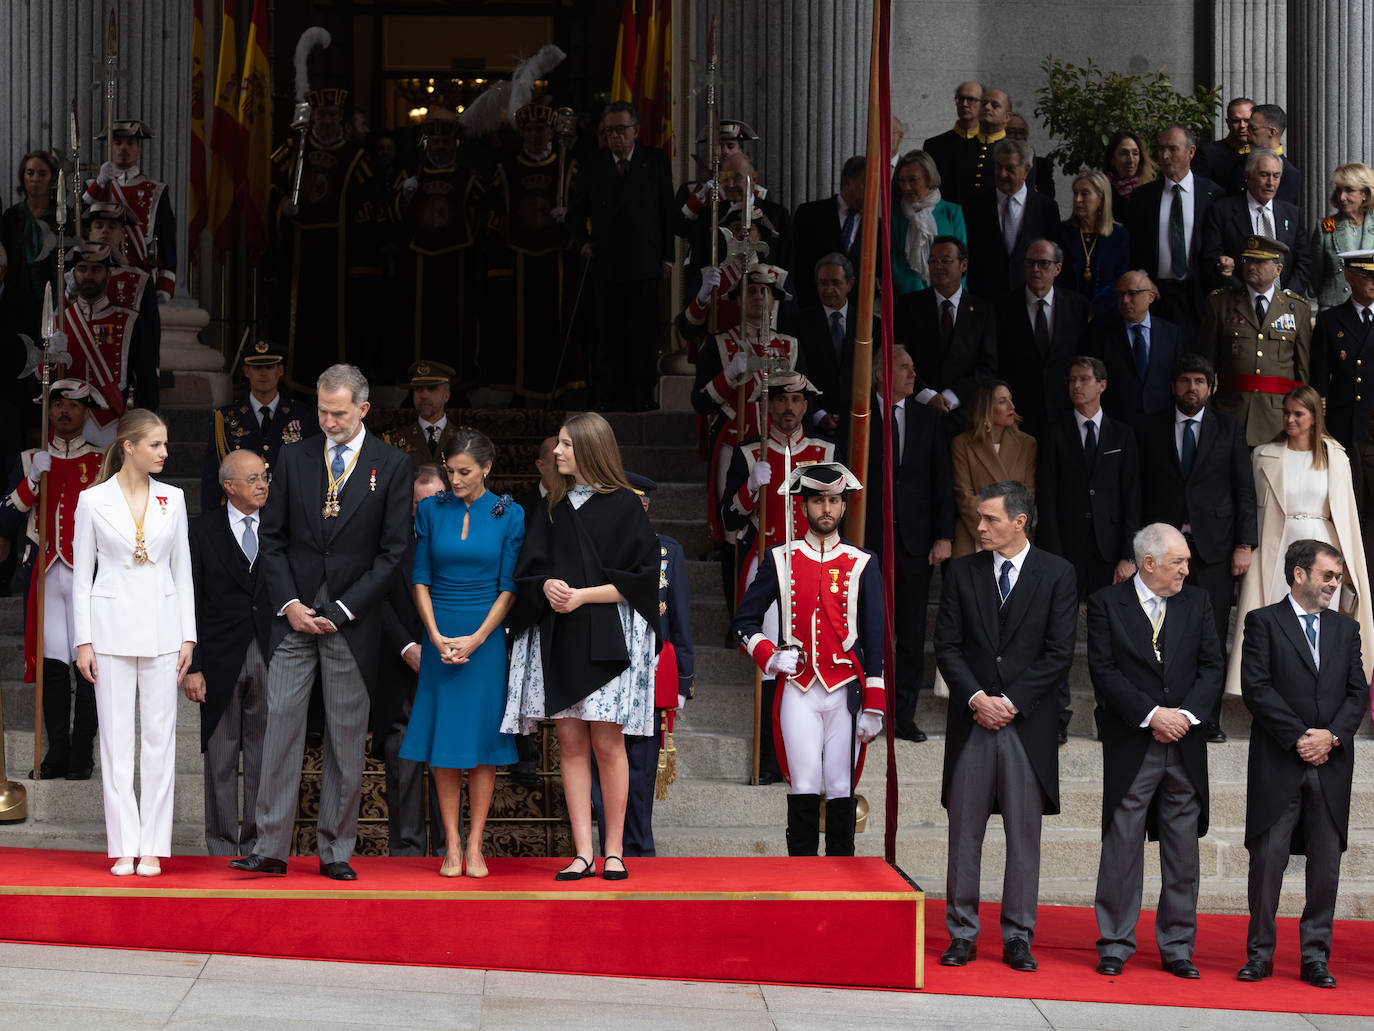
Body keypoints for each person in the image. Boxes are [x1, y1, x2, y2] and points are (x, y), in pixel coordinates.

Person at [231, 364, 412, 881]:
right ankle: (269, 847)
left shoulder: (392, 464)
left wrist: (345, 608)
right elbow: (273, 539)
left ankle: (335, 850)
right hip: (294, 618)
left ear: (363, 408)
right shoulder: (293, 456)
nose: (328, 421)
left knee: (345, 738)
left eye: (337, 412)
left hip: (350, 623)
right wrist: (287, 603)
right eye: (321, 410)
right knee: (279, 729)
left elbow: (394, 551)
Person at [503, 411, 659, 881]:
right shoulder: (550, 506)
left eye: (567, 445)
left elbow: (643, 581)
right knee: (569, 741)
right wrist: (547, 585)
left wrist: (581, 595)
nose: (557, 452)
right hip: (560, 635)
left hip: (607, 633)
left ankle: (614, 850)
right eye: (558, 445)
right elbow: (527, 572)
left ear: (590, 448)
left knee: (607, 742)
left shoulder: (625, 507)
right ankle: (582, 852)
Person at [934, 479, 1078, 972]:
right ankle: (962, 933)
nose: (979, 527)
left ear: (1020, 522)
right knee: (964, 835)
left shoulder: (1058, 574)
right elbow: (947, 646)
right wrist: (977, 697)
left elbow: (1059, 653)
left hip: (1025, 725)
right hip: (973, 720)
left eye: (990, 519)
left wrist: (1011, 702)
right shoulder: (961, 572)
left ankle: (1019, 937)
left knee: (1024, 837)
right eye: (979, 517)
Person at [1087, 523, 1223, 979]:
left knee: (1182, 851)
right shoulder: (1108, 604)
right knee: (1122, 846)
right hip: (1133, 741)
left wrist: (1184, 716)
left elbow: (1212, 666)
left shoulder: (1198, 601)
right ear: (1148, 563)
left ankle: (1178, 946)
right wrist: (1151, 714)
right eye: (1178, 562)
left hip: (1184, 743)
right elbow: (1104, 672)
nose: (1187, 569)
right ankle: (1115, 942)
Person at [733, 463, 886, 857]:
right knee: (802, 784)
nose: (827, 508)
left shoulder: (862, 561)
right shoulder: (780, 558)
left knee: (840, 786)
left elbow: (876, 637)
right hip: (798, 689)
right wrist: (768, 655)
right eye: (819, 500)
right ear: (804, 505)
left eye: (834, 500)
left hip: (845, 691)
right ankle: (801, 881)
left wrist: (875, 704)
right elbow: (744, 620)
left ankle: (841, 884)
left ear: (843, 506)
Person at [1237, 539, 1368, 988]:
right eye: (1328, 575)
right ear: (1299, 574)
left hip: (1331, 762)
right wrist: (1299, 737)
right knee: (1267, 861)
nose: (1335, 584)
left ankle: (1316, 957)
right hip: (1279, 760)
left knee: (1325, 865)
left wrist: (1330, 737)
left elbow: (1358, 694)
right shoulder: (1262, 622)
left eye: (1337, 577)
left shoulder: (1345, 630)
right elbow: (1256, 688)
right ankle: (1259, 955)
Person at [72, 409, 195, 877]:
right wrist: (83, 641)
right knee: (117, 741)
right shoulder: (92, 500)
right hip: (108, 630)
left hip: (164, 629)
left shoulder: (175, 498)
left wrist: (189, 635)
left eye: (165, 445)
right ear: (129, 446)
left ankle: (152, 846)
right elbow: (82, 576)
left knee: (160, 740)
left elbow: (182, 569)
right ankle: (124, 843)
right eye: (157, 445)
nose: (164, 452)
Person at [401, 429, 524, 878]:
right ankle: (451, 843)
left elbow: (509, 586)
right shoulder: (432, 510)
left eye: (464, 472)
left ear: (487, 468)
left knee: (482, 746)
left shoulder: (510, 513)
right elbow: (420, 576)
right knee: (445, 743)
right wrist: (433, 636)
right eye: (450, 470)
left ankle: (476, 845)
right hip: (440, 635)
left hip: (486, 639)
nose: (454, 480)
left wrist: (477, 639)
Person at [1135, 354, 1256, 743]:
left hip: (1215, 549)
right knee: (1157, 633)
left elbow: (1244, 491)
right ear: (1174, 386)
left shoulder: (1229, 428)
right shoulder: (1150, 426)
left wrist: (1245, 543)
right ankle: (1161, 716)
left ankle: (1207, 719)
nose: (1192, 388)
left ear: (1211, 386)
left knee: (1211, 636)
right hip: (1160, 548)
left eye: (1199, 382)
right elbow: (1137, 489)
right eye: (1185, 380)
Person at [1225, 385, 1374, 698]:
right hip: (1277, 548)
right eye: (1286, 412)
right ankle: (1274, 691)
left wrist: (1346, 563)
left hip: (1323, 546)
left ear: (1313, 416)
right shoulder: (1264, 455)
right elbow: (1251, 509)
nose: (1290, 420)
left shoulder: (1336, 458)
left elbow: (1345, 516)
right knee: (1277, 620)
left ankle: (1322, 691)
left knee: (1320, 623)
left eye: (1298, 414)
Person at [1, 380, 106, 779]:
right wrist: (30, 484)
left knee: (89, 665)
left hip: (88, 576)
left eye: (73, 406)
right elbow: (6, 519)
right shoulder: (31, 459)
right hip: (45, 574)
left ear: (86, 413)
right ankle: (57, 752)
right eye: (57, 404)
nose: (63, 411)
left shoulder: (101, 461)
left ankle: (83, 753)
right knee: (53, 666)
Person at [591, 472, 695, 856]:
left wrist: (682, 681)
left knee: (641, 767)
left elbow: (680, 618)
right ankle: (608, 849)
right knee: (599, 768)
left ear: (646, 507)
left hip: (649, 676)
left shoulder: (669, 551)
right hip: (603, 671)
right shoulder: (595, 549)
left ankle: (639, 849)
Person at [184, 449, 272, 857]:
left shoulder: (279, 526)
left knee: (262, 757)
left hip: (271, 654)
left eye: (264, 477)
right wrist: (193, 667)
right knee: (220, 757)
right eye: (252, 479)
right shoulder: (202, 532)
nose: (261, 485)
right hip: (218, 659)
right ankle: (220, 845)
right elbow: (190, 601)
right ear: (228, 486)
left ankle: (257, 842)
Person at [864, 345, 954, 742]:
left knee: (912, 634)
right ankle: (868, 710)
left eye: (914, 367)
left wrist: (944, 535)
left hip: (916, 542)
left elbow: (941, 481)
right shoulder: (860, 415)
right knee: (869, 628)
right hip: (868, 541)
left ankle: (903, 715)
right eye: (904, 367)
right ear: (881, 373)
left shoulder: (926, 418)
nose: (912, 374)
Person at [566, 100, 675, 412]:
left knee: (642, 332)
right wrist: (583, 242)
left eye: (620, 130)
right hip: (606, 263)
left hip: (645, 262)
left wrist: (667, 257)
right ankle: (607, 394)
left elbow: (666, 211)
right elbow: (574, 215)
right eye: (609, 130)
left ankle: (640, 394)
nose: (615, 136)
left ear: (636, 131)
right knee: (607, 333)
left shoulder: (654, 160)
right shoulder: (593, 163)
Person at [266, 86, 375, 389]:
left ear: (341, 117)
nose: (326, 120)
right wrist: (281, 205)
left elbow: (368, 207)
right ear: (312, 115)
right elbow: (268, 186)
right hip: (299, 253)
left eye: (332, 114)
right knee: (298, 323)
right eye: (321, 114)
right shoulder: (293, 148)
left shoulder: (357, 157)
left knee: (337, 326)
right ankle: (295, 385)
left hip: (338, 256)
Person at [485, 102, 579, 401]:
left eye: (541, 129)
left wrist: (571, 218)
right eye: (529, 130)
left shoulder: (569, 168)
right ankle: (520, 390)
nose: (535, 135)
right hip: (519, 260)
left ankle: (559, 388)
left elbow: (584, 213)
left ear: (551, 131)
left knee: (555, 326)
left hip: (556, 260)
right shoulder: (506, 170)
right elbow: (492, 216)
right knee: (519, 330)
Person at [377, 463, 446, 856]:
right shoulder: (391, 544)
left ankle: (446, 847)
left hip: (450, 665)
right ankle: (405, 851)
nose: (427, 508)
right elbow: (377, 600)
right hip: (400, 665)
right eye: (420, 502)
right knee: (402, 762)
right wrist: (407, 647)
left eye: (436, 500)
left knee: (446, 763)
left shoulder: (461, 538)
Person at [1199, 234, 1312, 446]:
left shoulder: (1297, 309)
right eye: (1248, 260)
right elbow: (1207, 363)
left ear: (1277, 270)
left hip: (1278, 417)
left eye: (1260, 262)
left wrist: (1302, 416)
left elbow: (1303, 371)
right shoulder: (1220, 303)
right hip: (1231, 411)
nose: (1252, 266)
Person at [397, 110, 484, 382]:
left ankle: (458, 382)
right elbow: (393, 220)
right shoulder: (410, 177)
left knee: (455, 325)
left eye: (446, 142)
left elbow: (482, 219)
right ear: (427, 144)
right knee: (418, 325)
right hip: (419, 262)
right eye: (435, 142)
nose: (440, 147)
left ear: (455, 145)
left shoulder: (469, 178)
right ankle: (418, 380)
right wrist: (403, 198)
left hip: (456, 263)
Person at [82, 119, 177, 361]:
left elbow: (167, 239)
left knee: (143, 346)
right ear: (110, 148)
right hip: (101, 279)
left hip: (140, 279)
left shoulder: (156, 190)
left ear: (139, 149)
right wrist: (101, 183)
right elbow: (76, 224)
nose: (123, 148)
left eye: (130, 143)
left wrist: (166, 283)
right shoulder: (95, 187)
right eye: (118, 143)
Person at [199, 339, 319, 512]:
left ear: (281, 370)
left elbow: (312, 471)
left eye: (270, 367)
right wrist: (211, 524)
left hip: (289, 512)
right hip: (241, 511)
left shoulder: (303, 415)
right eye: (257, 368)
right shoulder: (225, 418)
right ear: (246, 371)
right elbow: (212, 477)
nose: (263, 373)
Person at [893, 235, 998, 432]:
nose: (937, 266)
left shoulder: (983, 310)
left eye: (945, 260)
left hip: (964, 414)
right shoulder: (909, 305)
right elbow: (898, 356)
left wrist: (952, 397)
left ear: (963, 265)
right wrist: (927, 395)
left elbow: (987, 367)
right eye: (932, 261)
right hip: (917, 409)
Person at [1126, 126, 1225, 331]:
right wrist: (1143, 276)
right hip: (1155, 293)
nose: (1164, 155)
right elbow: (1134, 245)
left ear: (1191, 152)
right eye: (1161, 149)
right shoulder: (1143, 197)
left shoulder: (1213, 195)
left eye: (1172, 149)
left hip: (1197, 294)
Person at [56, 242, 154, 446]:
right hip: (65, 427)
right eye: (82, 269)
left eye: (96, 269)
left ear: (109, 275)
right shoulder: (59, 322)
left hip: (111, 427)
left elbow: (147, 381)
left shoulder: (130, 321)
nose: (88, 275)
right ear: (73, 275)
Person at [995, 239, 1091, 436]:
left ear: (1058, 268)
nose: (1035, 269)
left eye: (1043, 263)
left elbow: (1084, 356)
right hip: (1019, 412)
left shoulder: (1077, 307)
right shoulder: (1003, 307)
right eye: (1030, 263)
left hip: (1065, 408)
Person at [1202, 149, 1310, 295]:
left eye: (1276, 176)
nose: (1270, 183)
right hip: (1238, 301)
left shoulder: (1292, 214)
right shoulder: (1222, 211)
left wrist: (1288, 296)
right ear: (1248, 176)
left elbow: (1303, 262)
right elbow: (1211, 257)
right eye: (1264, 175)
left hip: (1284, 304)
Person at [964, 139, 1062, 299]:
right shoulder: (974, 205)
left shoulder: (1046, 208)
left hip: (1030, 297)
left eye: (1010, 168)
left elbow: (1055, 255)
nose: (1002, 174)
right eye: (998, 167)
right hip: (985, 297)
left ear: (1026, 170)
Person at [951, 382, 1036, 558]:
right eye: (1002, 401)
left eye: (1011, 400)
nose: (1011, 406)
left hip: (1014, 537)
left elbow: (1028, 494)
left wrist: (1008, 532)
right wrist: (994, 530)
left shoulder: (1027, 444)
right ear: (986, 409)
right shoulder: (963, 444)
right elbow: (964, 496)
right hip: (976, 536)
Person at [1089, 270, 1181, 428]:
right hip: (1117, 423)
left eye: (1132, 293)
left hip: (1161, 423)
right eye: (1120, 294)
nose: (1125, 300)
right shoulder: (1102, 335)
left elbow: (1178, 377)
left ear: (1150, 297)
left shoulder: (1171, 334)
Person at [1312, 250, 1374, 451]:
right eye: (1368, 276)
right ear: (1349, 277)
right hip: (1344, 424)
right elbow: (1319, 379)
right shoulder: (1329, 321)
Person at [792, 253, 858, 438]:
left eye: (836, 283)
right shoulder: (798, 323)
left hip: (858, 423)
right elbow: (796, 372)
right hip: (813, 424)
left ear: (850, 283)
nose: (829, 289)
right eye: (823, 283)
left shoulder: (868, 323)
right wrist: (818, 415)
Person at [789, 156, 866, 310]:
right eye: (866, 184)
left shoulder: (877, 227)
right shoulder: (809, 214)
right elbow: (795, 264)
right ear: (846, 181)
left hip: (855, 317)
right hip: (812, 311)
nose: (873, 191)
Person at [0, 150, 59, 341]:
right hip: (16, 303)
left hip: (52, 303)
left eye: (42, 174)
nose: (35, 179)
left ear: (51, 178)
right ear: (23, 177)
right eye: (30, 173)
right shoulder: (12, 217)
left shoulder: (62, 217)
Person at [890, 150, 966, 297]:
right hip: (909, 297)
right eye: (902, 180)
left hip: (950, 296)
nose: (906, 187)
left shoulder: (952, 212)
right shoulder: (894, 215)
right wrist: (922, 297)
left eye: (913, 180)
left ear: (928, 178)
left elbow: (961, 259)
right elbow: (894, 261)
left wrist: (951, 296)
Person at [1057, 171, 1129, 316]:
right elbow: (1057, 275)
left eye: (1085, 193)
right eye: (1075, 193)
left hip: (1107, 313)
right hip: (1068, 311)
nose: (1077, 199)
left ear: (1101, 200)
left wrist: (1096, 307)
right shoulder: (1063, 232)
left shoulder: (1118, 234)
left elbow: (1120, 277)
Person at [1309, 164, 1374, 310]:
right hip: (1334, 305)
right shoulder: (1325, 226)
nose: (1342, 197)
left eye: (1349, 190)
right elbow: (1316, 273)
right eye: (1339, 191)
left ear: (1364, 193)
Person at [383, 360, 462, 467]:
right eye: (418, 389)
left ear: (446, 396)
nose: (424, 395)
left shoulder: (465, 440)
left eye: (431, 389)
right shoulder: (393, 442)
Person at [921, 81, 983, 206]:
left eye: (971, 99)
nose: (964, 104)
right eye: (960, 99)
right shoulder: (934, 145)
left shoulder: (992, 146)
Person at [1228, 105, 1301, 208]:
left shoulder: (1289, 173)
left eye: (1253, 128)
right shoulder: (1239, 161)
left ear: (1272, 132)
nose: (1246, 132)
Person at [1191, 96, 1253, 190]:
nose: (1242, 125)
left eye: (1247, 121)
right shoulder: (1207, 153)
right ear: (1228, 123)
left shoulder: (1263, 153)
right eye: (1236, 121)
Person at [1103, 129, 1156, 226]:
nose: (1131, 160)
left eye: (1135, 153)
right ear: (1112, 159)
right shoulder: (1102, 192)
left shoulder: (1152, 191)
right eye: (1124, 154)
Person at [1004, 113, 1056, 199]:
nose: (1017, 137)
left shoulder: (1042, 168)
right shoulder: (994, 163)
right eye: (1011, 132)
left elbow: (1046, 199)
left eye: (1021, 133)